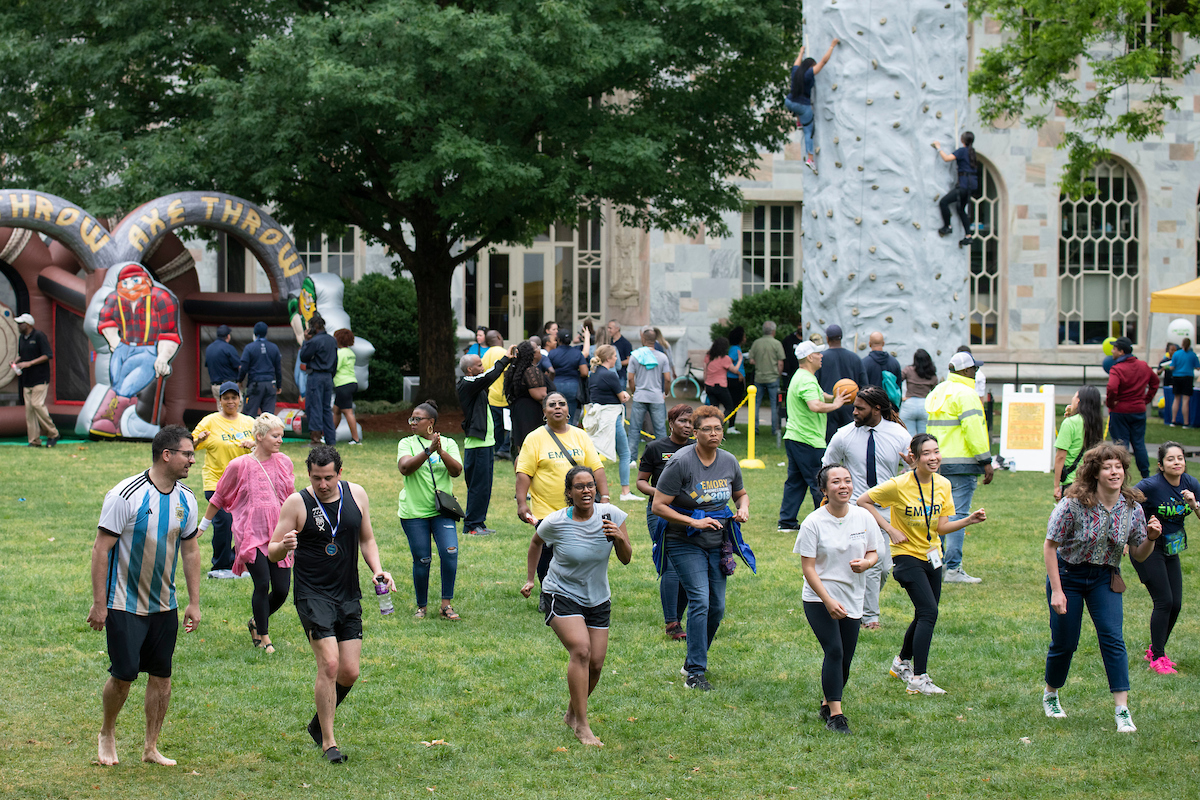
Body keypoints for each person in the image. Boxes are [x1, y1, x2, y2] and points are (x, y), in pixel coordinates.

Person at [268, 445, 396, 763]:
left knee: (349, 672)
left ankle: (315, 724)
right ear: (308, 474)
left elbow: (366, 539)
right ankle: (329, 742)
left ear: (340, 472)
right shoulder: (298, 503)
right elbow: (271, 550)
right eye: (315, 478)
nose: (322, 484)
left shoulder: (357, 495)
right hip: (312, 594)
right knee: (330, 665)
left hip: (347, 592)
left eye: (327, 478)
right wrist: (284, 546)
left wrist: (378, 569)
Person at [87, 425, 200, 767]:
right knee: (123, 675)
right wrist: (98, 603)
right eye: (187, 454)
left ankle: (151, 747)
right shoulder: (125, 495)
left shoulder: (187, 499)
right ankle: (107, 732)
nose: (192, 461)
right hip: (123, 602)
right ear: (167, 455)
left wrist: (194, 602)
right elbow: (100, 549)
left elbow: (191, 551)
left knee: (162, 676)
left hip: (165, 603)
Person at [1042, 443, 1160, 732]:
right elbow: (1050, 546)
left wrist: (1152, 538)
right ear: (1095, 472)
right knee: (1066, 642)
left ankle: (1122, 710)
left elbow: (1139, 553)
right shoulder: (1073, 503)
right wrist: (1057, 591)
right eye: (1107, 467)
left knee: (1112, 638)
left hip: (1104, 578)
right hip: (1068, 575)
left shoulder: (1131, 507)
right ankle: (1051, 694)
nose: (1114, 471)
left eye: (1118, 466)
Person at [859, 433, 987, 695]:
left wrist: (968, 520)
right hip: (906, 557)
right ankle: (919, 678)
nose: (933, 457)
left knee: (924, 612)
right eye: (927, 453)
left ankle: (901, 662)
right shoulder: (898, 484)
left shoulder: (943, 484)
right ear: (914, 458)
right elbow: (863, 501)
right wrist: (889, 529)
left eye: (936, 452)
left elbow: (941, 526)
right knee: (929, 613)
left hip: (933, 556)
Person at [519, 466, 632, 747]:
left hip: (598, 596)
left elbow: (627, 558)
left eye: (590, 485)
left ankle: (572, 712)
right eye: (579, 486)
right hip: (561, 592)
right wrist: (530, 579)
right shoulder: (556, 521)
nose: (586, 491)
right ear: (569, 493)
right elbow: (536, 543)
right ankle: (583, 726)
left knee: (596, 662)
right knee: (581, 650)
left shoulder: (613, 516)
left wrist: (619, 538)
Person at [651, 405, 753, 691]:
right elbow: (659, 505)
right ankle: (696, 671)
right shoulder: (680, 462)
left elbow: (741, 494)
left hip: (717, 541)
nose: (713, 433)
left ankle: (693, 659)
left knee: (717, 608)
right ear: (695, 433)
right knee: (700, 600)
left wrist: (742, 509)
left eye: (717, 428)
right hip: (684, 540)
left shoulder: (729, 461)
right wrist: (693, 522)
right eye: (706, 429)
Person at [796, 465, 882, 734]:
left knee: (845, 656)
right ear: (824, 490)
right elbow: (808, 568)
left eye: (847, 480)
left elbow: (873, 552)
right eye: (836, 482)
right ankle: (836, 714)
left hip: (852, 596)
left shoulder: (863, 517)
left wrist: (866, 564)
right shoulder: (813, 522)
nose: (843, 486)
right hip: (818, 597)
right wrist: (828, 601)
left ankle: (826, 702)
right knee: (834, 650)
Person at [199, 412, 295, 653]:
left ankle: (255, 621)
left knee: (282, 590)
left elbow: (292, 498)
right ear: (260, 437)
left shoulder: (284, 462)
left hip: (278, 534)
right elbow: (219, 496)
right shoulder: (239, 465)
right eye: (275, 435)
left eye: (281, 435)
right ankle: (264, 636)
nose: (280, 440)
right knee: (262, 583)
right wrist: (202, 526)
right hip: (250, 534)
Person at [823, 386, 911, 630]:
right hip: (853, 509)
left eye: (860, 409)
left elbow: (914, 468)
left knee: (882, 567)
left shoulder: (899, 435)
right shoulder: (844, 435)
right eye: (854, 408)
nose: (854, 413)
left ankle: (858, 603)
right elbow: (827, 467)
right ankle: (869, 618)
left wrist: (911, 471)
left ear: (877, 409)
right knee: (867, 563)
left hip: (886, 510)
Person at [516, 393, 608, 583]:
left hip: (579, 509)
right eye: (552, 405)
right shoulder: (534, 438)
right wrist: (521, 503)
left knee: (579, 551)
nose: (557, 407)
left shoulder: (580, 435)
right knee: (547, 553)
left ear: (567, 410)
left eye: (562, 404)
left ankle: (577, 588)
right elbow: (524, 472)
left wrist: (605, 496)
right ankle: (547, 591)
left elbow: (596, 468)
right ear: (544, 412)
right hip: (546, 509)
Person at [88, 263, 181, 437]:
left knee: (127, 385)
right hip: (123, 347)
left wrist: (163, 357)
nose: (130, 286)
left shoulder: (161, 298)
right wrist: (114, 340)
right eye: (125, 282)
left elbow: (169, 332)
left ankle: (107, 419)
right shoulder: (115, 298)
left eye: (135, 280)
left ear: (145, 280)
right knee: (117, 383)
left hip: (148, 348)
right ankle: (119, 422)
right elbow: (106, 321)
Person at [925, 351, 993, 583]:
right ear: (965, 371)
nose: (976, 372)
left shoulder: (938, 391)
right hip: (962, 464)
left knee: (938, 515)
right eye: (974, 368)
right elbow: (973, 429)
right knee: (958, 515)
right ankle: (953, 569)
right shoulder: (967, 393)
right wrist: (985, 460)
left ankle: (937, 565)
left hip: (936, 463)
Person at [1132, 442, 1198, 674]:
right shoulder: (1150, 486)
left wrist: (1194, 504)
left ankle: (1155, 650)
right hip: (1148, 546)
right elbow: (1125, 502)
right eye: (1171, 459)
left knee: (1176, 604)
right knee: (1164, 601)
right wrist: (1128, 536)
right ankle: (1158, 658)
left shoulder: (1191, 484)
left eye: (1180, 458)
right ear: (1160, 465)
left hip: (1171, 548)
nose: (1177, 462)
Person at [397, 400, 464, 620]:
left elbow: (456, 471)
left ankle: (446, 605)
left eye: (417, 419)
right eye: (412, 419)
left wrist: (440, 451)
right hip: (414, 512)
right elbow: (405, 468)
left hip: (441, 511)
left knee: (450, 552)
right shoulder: (406, 443)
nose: (413, 422)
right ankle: (421, 606)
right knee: (422, 559)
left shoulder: (449, 443)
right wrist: (427, 451)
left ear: (431, 422)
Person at [778, 340, 851, 533]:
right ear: (810, 357)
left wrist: (835, 396)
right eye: (818, 353)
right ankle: (827, 520)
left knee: (795, 481)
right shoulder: (807, 379)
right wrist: (836, 405)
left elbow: (818, 396)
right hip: (808, 439)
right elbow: (815, 405)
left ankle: (786, 522)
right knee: (818, 481)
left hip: (796, 437)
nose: (821, 356)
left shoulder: (802, 376)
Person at [636, 404, 694, 640]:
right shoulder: (656, 448)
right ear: (671, 422)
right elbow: (640, 481)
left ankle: (680, 618)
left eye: (691, 422)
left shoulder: (697, 448)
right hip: (660, 511)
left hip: (691, 512)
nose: (688, 426)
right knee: (670, 564)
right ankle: (672, 623)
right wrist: (659, 493)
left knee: (691, 566)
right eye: (683, 421)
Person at [193, 381, 254, 579]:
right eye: (226, 398)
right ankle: (220, 565)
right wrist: (199, 439)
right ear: (220, 401)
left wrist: (253, 444)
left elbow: (265, 446)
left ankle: (237, 561)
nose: (230, 401)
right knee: (224, 521)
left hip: (243, 483)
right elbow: (188, 447)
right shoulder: (209, 421)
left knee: (244, 524)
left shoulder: (249, 422)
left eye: (233, 397)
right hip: (216, 482)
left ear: (239, 400)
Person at [456, 346, 515, 537]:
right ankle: (471, 526)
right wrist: (505, 358)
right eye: (479, 365)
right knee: (478, 487)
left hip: (486, 444)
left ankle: (478, 523)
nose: (483, 367)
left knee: (485, 487)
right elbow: (490, 376)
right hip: (477, 446)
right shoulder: (467, 383)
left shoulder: (475, 382)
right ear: (470, 370)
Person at [587, 344, 637, 501]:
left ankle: (589, 486)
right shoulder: (609, 375)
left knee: (593, 453)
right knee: (624, 453)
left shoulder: (593, 373)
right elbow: (622, 396)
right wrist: (626, 396)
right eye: (614, 355)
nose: (616, 358)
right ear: (608, 358)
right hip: (610, 417)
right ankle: (625, 492)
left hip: (596, 416)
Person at [1106, 336, 1159, 480]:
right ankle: (1146, 476)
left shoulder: (1117, 368)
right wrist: (1146, 399)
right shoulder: (1143, 365)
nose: (1112, 351)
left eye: (1114, 349)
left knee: (1120, 446)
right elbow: (1155, 382)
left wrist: (1111, 403)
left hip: (1120, 411)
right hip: (1138, 410)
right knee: (1139, 444)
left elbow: (1111, 387)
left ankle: (1120, 476)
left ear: (1121, 351)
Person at [784, 39, 839, 172]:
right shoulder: (808, 73)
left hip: (789, 102)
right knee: (809, 132)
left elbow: (796, 63)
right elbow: (823, 62)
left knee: (798, 110)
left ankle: (798, 122)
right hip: (802, 106)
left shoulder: (796, 72)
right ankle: (810, 159)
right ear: (810, 67)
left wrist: (801, 52)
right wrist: (832, 46)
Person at [13, 312, 59, 447]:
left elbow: (47, 355)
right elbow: (22, 354)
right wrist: (16, 361)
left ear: (27, 325)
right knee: (29, 411)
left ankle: (53, 433)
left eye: (20, 324)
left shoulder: (39, 336)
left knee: (37, 405)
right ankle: (34, 440)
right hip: (26, 380)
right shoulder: (22, 338)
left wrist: (30, 363)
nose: (18, 326)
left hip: (40, 378)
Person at [1053, 386, 1105, 501]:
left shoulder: (1070, 423)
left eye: (1075, 396)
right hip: (1090, 480)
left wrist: (1056, 486)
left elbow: (1060, 456)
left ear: (1078, 401)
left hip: (1072, 482)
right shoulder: (1096, 424)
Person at [627, 327, 671, 463]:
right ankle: (664, 458)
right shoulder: (662, 356)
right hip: (657, 397)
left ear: (643, 339)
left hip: (640, 396)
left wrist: (634, 392)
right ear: (655, 340)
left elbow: (630, 378)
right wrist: (666, 392)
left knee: (634, 429)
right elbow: (668, 378)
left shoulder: (635, 356)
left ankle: (631, 460)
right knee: (660, 431)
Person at [815, 325, 865, 441]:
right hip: (851, 407)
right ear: (841, 338)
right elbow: (864, 386)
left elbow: (815, 385)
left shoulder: (821, 359)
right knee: (850, 443)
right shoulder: (855, 358)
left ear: (827, 338)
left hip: (828, 407)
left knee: (829, 446)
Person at [299, 313, 338, 447]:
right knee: (326, 408)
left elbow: (304, 357)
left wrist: (306, 340)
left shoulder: (314, 341)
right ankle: (330, 440)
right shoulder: (332, 340)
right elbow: (335, 361)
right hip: (328, 376)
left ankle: (315, 440)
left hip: (316, 376)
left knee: (314, 407)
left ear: (314, 327)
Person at [934, 132, 980, 247]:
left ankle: (947, 226)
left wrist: (938, 148)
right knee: (960, 209)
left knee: (944, 202)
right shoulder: (972, 152)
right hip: (971, 186)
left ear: (962, 140)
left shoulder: (962, 151)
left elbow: (946, 158)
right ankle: (968, 236)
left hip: (964, 185)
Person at [505, 340, 550, 457]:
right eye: (538, 349)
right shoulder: (531, 370)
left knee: (523, 447)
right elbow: (541, 395)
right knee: (532, 447)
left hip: (520, 412)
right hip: (531, 414)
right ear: (533, 354)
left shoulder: (516, 368)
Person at [746, 320, 786, 441]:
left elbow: (751, 360)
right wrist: (778, 375)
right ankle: (775, 429)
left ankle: (754, 429)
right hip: (773, 377)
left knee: (756, 404)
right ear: (773, 331)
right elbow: (780, 362)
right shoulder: (777, 344)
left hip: (759, 377)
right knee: (775, 405)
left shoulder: (756, 343)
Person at [240, 321, 282, 416]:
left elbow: (244, 367)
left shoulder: (249, 347)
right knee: (268, 416)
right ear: (266, 332)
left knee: (249, 415)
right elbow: (278, 369)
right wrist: (279, 385)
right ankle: (268, 431)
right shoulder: (274, 347)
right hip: (270, 384)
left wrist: (240, 380)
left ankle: (249, 431)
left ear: (255, 333)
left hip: (255, 384)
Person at [481, 330, 512, 460]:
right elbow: (507, 375)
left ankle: (498, 450)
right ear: (499, 337)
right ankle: (505, 449)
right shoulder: (503, 353)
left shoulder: (485, 355)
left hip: (492, 397)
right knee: (510, 425)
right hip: (505, 397)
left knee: (496, 426)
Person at [546, 331, 589, 425]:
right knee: (571, 417)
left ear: (558, 340)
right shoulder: (577, 353)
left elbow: (548, 371)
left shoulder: (552, 353)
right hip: (573, 387)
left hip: (556, 385)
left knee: (555, 413)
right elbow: (585, 372)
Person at [329, 328, 361, 445]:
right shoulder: (350, 353)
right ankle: (329, 436)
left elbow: (335, 368)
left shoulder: (340, 353)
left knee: (348, 412)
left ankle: (356, 439)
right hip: (352, 382)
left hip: (343, 384)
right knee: (336, 410)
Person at [899, 349, 938, 435]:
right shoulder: (932, 374)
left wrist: (900, 398)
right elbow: (935, 393)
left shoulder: (908, 370)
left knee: (908, 438)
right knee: (924, 439)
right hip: (925, 405)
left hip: (909, 404)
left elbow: (896, 381)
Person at [703, 336, 740, 423]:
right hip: (720, 387)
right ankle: (719, 423)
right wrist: (740, 360)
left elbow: (705, 372)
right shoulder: (724, 358)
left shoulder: (708, 357)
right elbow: (734, 370)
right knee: (729, 407)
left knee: (714, 410)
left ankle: (713, 427)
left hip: (709, 386)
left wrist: (705, 385)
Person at [1168, 337, 1199, 427]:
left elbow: (1172, 367)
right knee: (1185, 400)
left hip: (1177, 377)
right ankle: (1185, 423)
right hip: (1188, 377)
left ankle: (1173, 421)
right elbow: (1197, 367)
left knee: (1176, 399)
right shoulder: (1192, 355)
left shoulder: (1176, 354)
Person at [204, 324, 241, 401]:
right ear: (228, 336)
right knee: (235, 408)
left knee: (221, 411)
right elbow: (239, 366)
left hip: (215, 386)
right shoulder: (229, 348)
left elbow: (208, 365)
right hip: (229, 386)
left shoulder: (209, 348)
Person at [861, 332, 901, 400]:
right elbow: (898, 387)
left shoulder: (864, 363)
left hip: (870, 405)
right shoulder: (894, 362)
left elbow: (861, 388)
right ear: (883, 343)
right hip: (889, 406)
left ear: (869, 344)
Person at [725, 326, 747, 433]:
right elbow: (728, 363)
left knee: (734, 403)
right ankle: (731, 426)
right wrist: (739, 373)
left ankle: (731, 425)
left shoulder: (735, 348)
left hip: (735, 379)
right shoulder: (735, 349)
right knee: (734, 403)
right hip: (734, 380)